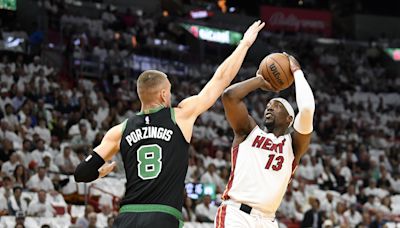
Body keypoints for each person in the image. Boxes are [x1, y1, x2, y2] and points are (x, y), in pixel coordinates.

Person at [74, 20, 265, 228]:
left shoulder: (120, 130)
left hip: (127, 217)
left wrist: (98, 172)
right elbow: (221, 79)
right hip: (163, 216)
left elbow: (81, 173)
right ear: (164, 94)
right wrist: (244, 44)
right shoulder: (180, 116)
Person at [215, 53, 315, 228]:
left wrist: (297, 71)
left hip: (268, 220)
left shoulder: (293, 145)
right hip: (236, 215)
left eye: (277, 106)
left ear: (289, 119)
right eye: (268, 105)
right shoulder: (248, 132)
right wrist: (260, 80)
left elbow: (306, 109)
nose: (269, 107)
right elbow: (229, 97)